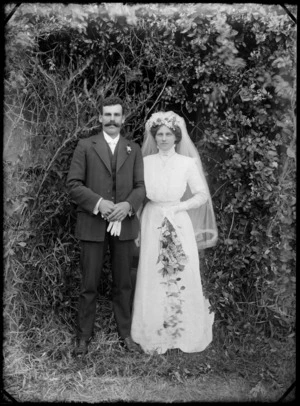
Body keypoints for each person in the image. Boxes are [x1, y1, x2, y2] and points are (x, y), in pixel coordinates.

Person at [131, 111, 218, 354]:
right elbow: (138, 195)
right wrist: (137, 224)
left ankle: (180, 328)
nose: (163, 139)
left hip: (178, 221)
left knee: (180, 270)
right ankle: (153, 328)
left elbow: (201, 194)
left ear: (177, 137)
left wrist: (180, 207)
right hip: (151, 219)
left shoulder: (187, 163)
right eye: (159, 134)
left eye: (168, 134)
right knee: (152, 269)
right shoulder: (145, 162)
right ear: (154, 136)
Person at [67, 96, 146, 356]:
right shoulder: (85, 146)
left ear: (123, 119)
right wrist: (99, 203)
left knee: (123, 283)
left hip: (124, 226)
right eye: (107, 115)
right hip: (92, 224)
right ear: (100, 118)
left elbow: (140, 187)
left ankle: (126, 335)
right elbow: (74, 185)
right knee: (89, 283)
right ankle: (83, 337)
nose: (112, 120)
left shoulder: (133, 149)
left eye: (117, 115)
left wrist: (128, 206)